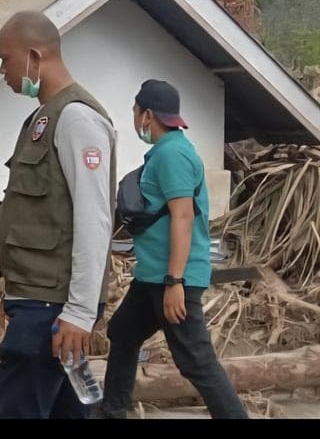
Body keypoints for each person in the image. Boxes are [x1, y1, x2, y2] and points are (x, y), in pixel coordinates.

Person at [0, 11, 117, 419]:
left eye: (5, 60)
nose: (3, 72)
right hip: (37, 301)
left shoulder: (76, 119)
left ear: (34, 56)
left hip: (54, 309)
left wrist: (79, 311)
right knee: (69, 411)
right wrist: (14, 295)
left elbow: (94, 220)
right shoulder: (43, 117)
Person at [99, 80, 248, 419]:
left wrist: (174, 282)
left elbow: (182, 217)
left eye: (136, 113)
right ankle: (113, 410)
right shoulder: (165, 152)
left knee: (197, 362)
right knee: (122, 331)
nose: (135, 119)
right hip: (152, 275)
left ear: (148, 114)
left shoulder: (173, 154)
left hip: (173, 276)